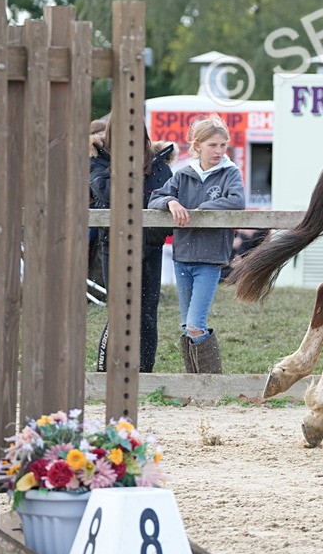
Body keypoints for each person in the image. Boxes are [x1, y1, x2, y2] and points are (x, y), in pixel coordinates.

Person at [149, 114, 246, 373]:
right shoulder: (183, 175)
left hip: (211, 258)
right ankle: (195, 383)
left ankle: (211, 381)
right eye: (212, 145)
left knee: (195, 323)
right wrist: (172, 203)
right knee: (186, 324)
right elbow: (156, 198)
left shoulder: (230, 174)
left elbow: (236, 201)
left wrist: (199, 210)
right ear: (197, 145)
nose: (218, 150)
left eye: (223, 145)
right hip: (183, 256)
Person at [89, 117, 175, 373]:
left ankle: (144, 371)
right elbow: (107, 193)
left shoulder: (160, 165)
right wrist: (128, 169)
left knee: (147, 314)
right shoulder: (99, 160)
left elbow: (164, 195)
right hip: (114, 245)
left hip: (150, 244)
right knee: (119, 310)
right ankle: (107, 370)